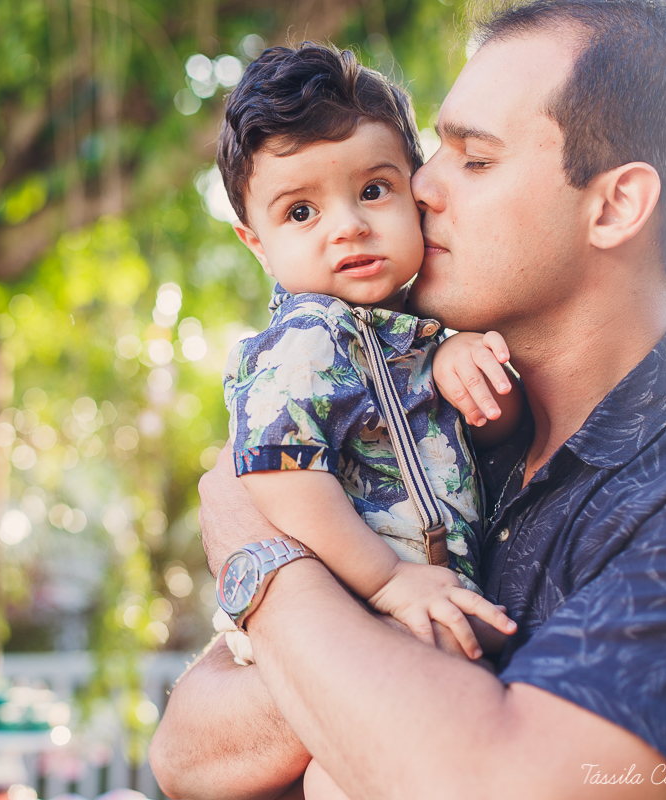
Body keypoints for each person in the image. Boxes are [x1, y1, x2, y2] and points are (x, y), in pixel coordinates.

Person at [150, 1, 666, 799]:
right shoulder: (410, 411)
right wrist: (399, 674)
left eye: (473, 160)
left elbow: (506, 784)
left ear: (614, 206)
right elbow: (189, 751)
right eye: (433, 149)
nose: (421, 186)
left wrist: (258, 555)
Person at [214, 43, 519, 674]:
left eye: (374, 189)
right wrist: (385, 581)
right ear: (257, 244)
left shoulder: (422, 332)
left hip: (418, 596)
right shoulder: (303, 344)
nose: (348, 225)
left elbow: (500, 436)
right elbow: (279, 471)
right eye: (301, 212)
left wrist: (460, 366)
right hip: (344, 600)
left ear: (417, 191)